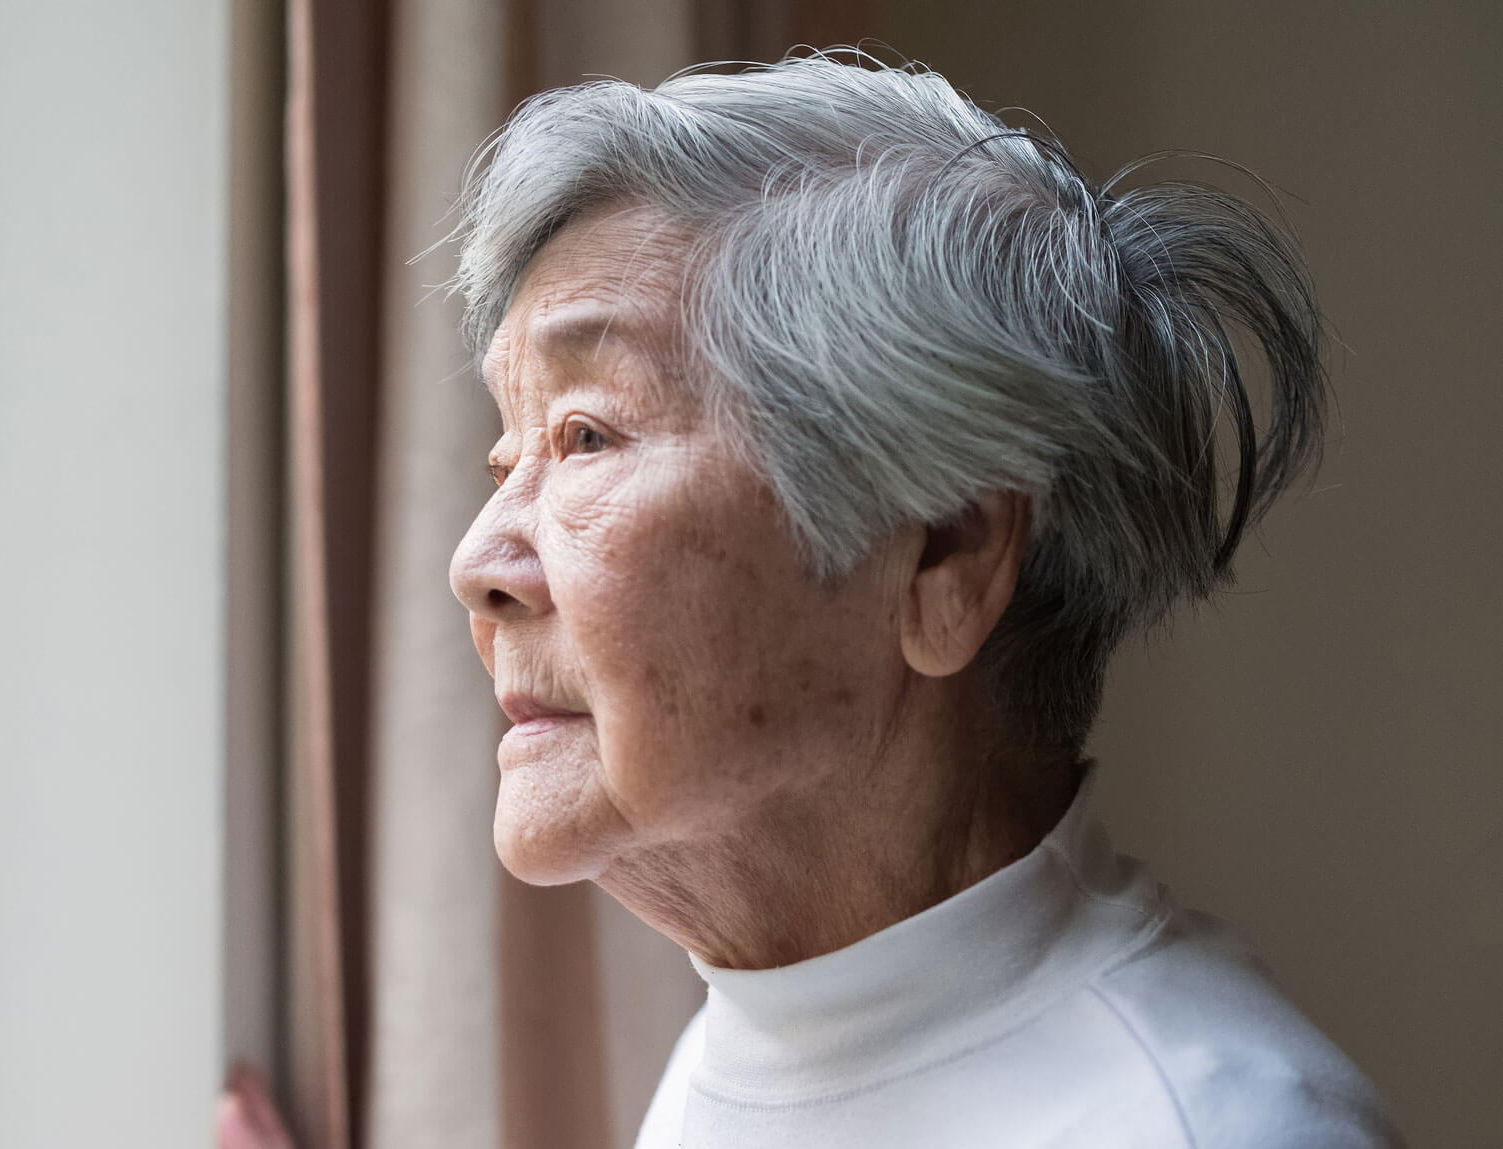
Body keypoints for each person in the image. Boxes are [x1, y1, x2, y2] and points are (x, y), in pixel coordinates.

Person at [221, 51, 1402, 1148]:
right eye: (504, 459)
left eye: (586, 437)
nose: (477, 563)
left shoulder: (1210, 1124)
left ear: (944, 556)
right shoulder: (754, 1042)